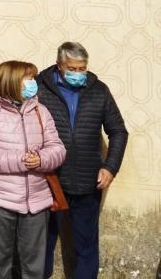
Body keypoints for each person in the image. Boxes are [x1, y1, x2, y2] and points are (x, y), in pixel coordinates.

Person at [37, 42, 128, 279]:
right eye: (72, 68)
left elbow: (118, 131)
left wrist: (110, 167)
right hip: (49, 179)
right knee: (42, 242)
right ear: (59, 66)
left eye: (82, 68)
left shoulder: (99, 90)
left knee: (86, 245)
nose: (78, 74)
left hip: (88, 181)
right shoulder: (38, 88)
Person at [0, 61, 66, 279]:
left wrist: (41, 159)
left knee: (34, 264)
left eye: (33, 77)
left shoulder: (40, 110)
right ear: (11, 81)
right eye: (28, 78)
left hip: (37, 199)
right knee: (0, 262)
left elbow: (58, 148)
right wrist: (23, 160)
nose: (33, 83)